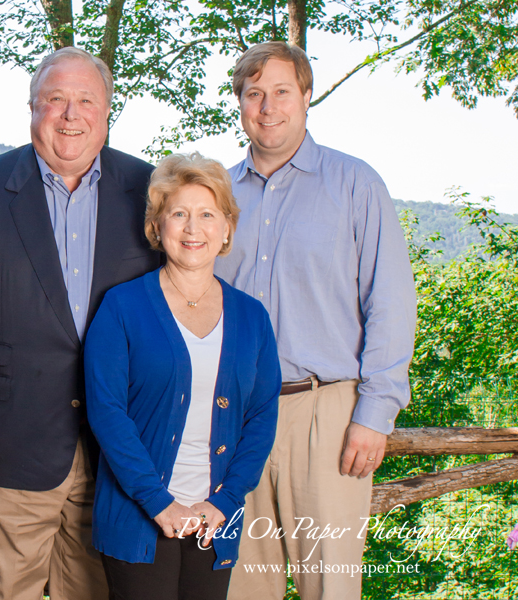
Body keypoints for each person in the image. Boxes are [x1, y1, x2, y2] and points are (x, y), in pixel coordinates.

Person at [0, 46, 161, 600]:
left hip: (118, 451)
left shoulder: (149, 190)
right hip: (6, 442)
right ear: (32, 108)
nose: (71, 114)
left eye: (85, 100)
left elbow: (174, 309)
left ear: (107, 109)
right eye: (55, 99)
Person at [214, 42, 417, 600]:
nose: (268, 106)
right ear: (240, 104)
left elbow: (391, 302)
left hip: (325, 414)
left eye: (282, 91)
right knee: (240, 588)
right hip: (232, 418)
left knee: (329, 587)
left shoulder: (356, 185)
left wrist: (375, 413)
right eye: (254, 94)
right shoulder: (216, 197)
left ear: (307, 97)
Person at [84, 153, 281, 600]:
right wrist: (159, 502)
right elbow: (108, 413)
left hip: (216, 517)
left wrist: (225, 502)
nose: (194, 229)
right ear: (157, 228)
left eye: (207, 215)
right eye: (179, 214)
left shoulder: (252, 318)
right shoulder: (121, 307)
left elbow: (262, 417)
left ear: (227, 228)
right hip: (139, 514)